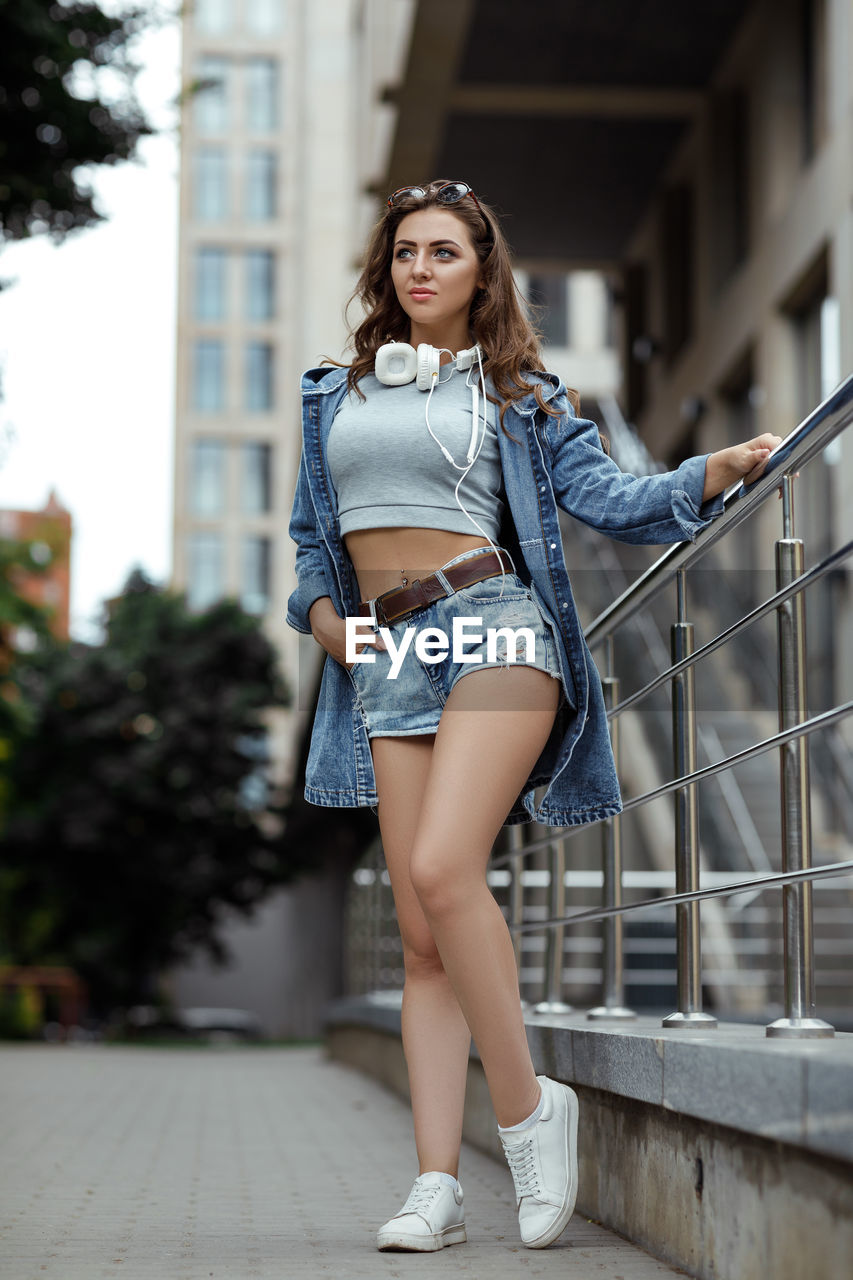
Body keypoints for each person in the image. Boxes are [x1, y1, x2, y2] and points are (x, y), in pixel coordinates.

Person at [287, 179, 780, 1252]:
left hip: (497, 624)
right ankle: (434, 1183)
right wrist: (332, 627)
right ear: (386, 270)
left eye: (445, 253)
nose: (421, 268)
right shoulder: (333, 394)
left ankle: (523, 1113)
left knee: (440, 870)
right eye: (406, 252)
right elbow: (308, 556)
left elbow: (611, 498)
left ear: (480, 273)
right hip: (386, 653)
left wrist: (714, 471)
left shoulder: (519, 395)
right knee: (422, 939)